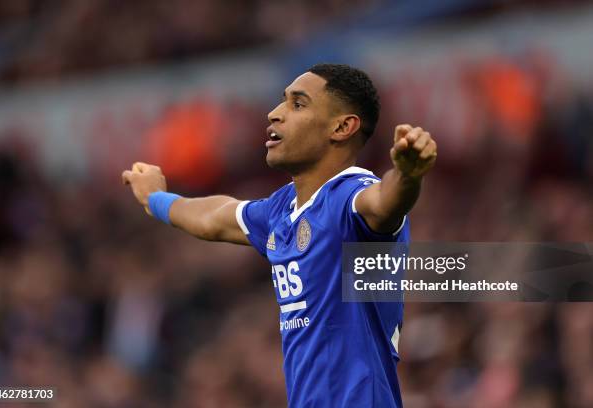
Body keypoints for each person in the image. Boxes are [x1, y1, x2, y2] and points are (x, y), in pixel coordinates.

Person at [122, 63, 437, 408]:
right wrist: (156, 199)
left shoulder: (350, 197)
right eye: (282, 101)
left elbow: (384, 203)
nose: (274, 114)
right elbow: (214, 217)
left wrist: (407, 175)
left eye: (298, 104)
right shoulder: (281, 210)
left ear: (342, 126)